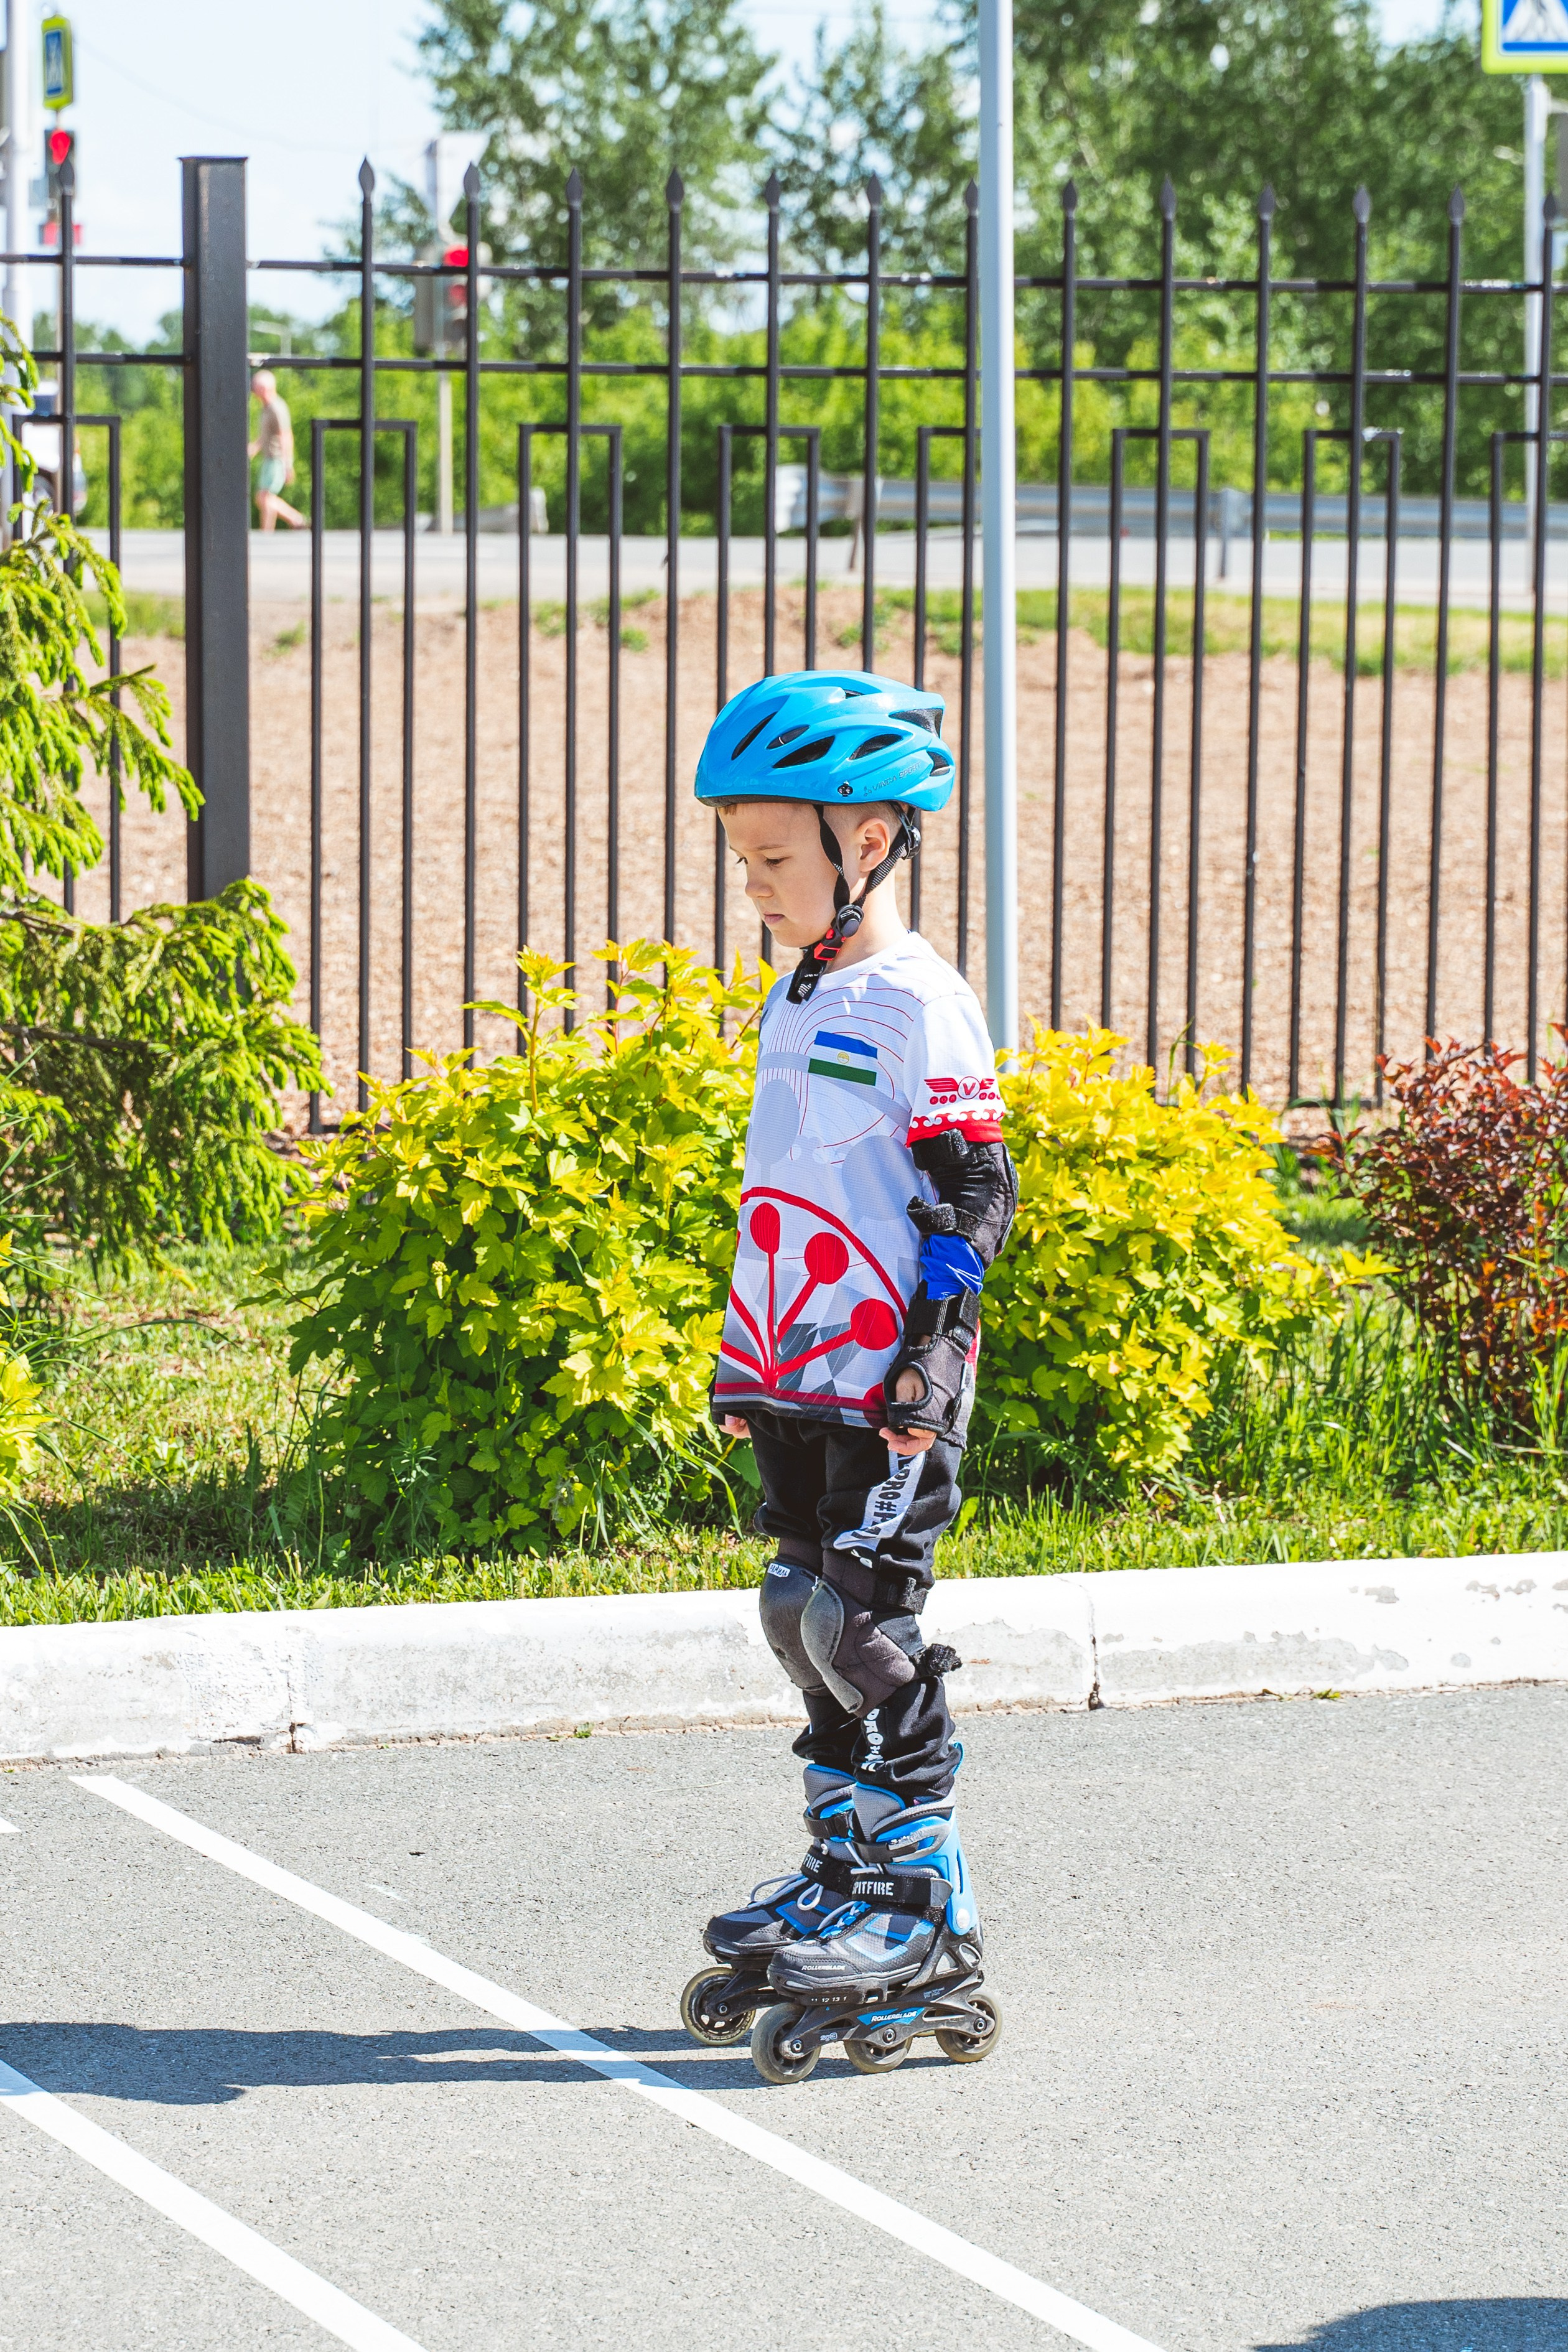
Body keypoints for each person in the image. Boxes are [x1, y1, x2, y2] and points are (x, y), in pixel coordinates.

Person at [679, 668, 1017, 2084]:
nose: (753, 883)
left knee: (859, 1625)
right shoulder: (806, 985)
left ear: (865, 841)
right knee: (793, 1610)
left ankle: (928, 1915)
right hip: (796, 1367)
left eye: (774, 857)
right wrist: (749, 1347)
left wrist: (929, 1373)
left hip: (887, 1386)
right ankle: (848, 1869)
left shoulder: (919, 1005)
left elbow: (974, 1200)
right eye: (742, 858)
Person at [248, 371, 307, 531]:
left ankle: (294, 520)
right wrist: (255, 447)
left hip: (277, 458)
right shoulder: (266, 408)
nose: (253, 392)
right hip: (268, 458)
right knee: (263, 498)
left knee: (265, 497)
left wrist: (288, 464)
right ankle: (293, 521)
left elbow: (285, 436)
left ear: (264, 388)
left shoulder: (277, 407)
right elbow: (266, 435)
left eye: (255, 388)